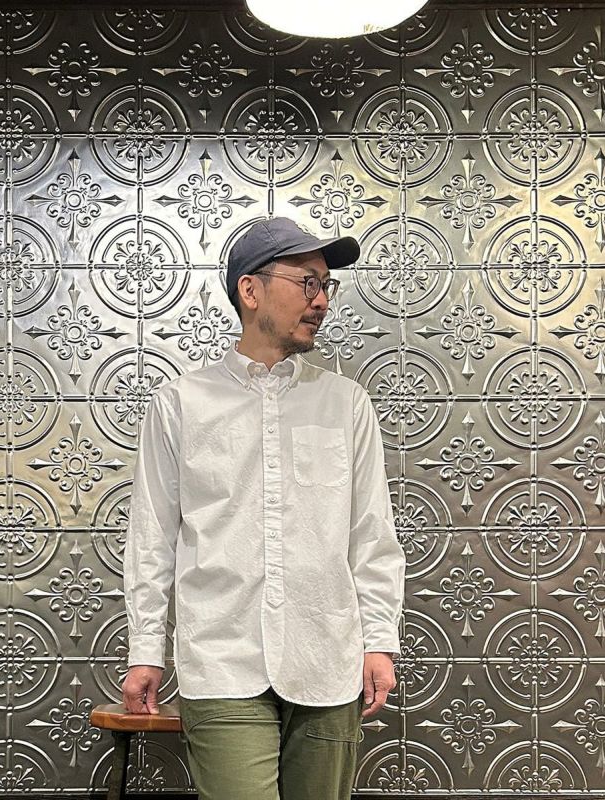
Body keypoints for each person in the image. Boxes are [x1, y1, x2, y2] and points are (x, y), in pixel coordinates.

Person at [121, 216, 406, 800]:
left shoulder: (346, 403)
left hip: (327, 657)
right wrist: (146, 650)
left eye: (326, 285)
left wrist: (379, 639)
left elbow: (371, 534)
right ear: (250, 290)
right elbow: (152, 538)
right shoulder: (180, 404)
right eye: (307, 282)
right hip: (221, 659)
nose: (321, 300)